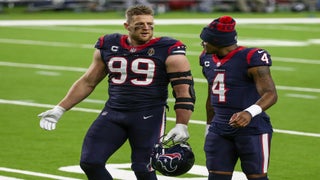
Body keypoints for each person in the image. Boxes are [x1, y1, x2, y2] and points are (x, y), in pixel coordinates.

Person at [38, 5, 195, 180]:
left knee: (143, 168)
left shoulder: (168, 48)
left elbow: (183, 90)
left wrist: (182, 123)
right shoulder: (109, 44)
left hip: (149, 116)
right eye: (140, 24)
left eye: (150, 24)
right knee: (90, 162)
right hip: (114, 112)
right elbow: (89, 81)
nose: (146, 28)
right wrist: (60, 108)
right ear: (127, 26)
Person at [199, 16, 278, 180]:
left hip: (252, 129)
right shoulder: (206, 58)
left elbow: (270, 94)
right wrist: (209, 126)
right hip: (219, 128)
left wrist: (249, 112)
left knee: (257, 177)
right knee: (216, 177)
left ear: (217, 41)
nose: (203, 44)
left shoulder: (251, 57)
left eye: (205, 40)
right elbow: (211, 95)